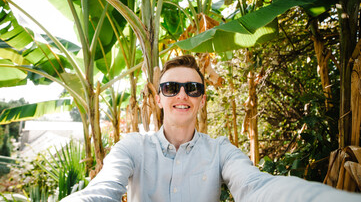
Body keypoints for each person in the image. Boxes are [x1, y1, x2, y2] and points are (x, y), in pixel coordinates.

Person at [62, 55, 360, 202]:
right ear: (158, 98)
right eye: (171, 87)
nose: (182, 95)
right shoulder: (131, 147)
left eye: (191, 88)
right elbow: (103, 190)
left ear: (202, 100)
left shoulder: (221, 151)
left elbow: (256, 187)